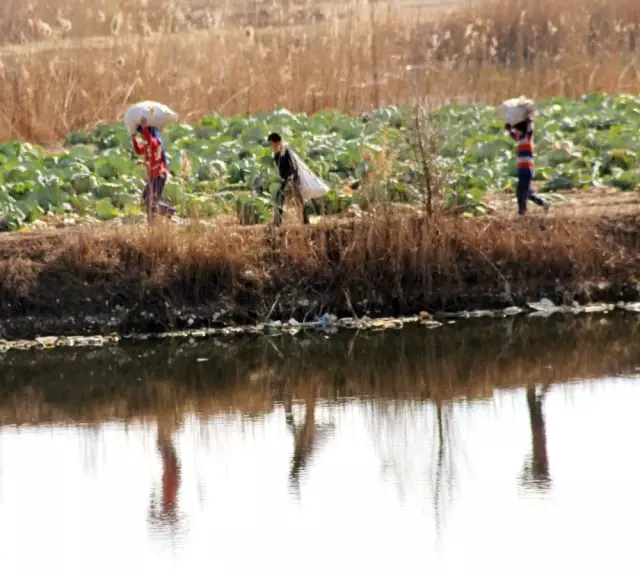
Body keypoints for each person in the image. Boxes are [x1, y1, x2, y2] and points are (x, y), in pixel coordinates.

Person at [132, 121, 175, 224]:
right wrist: (133, 139)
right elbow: (139, 151)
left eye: (142, 134)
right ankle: (168, 211)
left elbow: (150, 140)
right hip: (153, 176)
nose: (141, 136)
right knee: (145, 199)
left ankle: (152, 223)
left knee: (151, 201)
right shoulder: (148, 145)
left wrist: (144, 127)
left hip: (159, 175)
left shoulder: (155, 142)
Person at [505, 117, 549, 216]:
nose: (516, 132)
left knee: (521, 191)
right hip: (522, 169)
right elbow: (513, 135)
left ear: (522, 130)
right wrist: (509, 129)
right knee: (527, 191)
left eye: (518, 130)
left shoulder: (527, 138)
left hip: (527, 169)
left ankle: (522, 212)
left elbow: (530, 129)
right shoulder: (520, 139)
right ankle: (543, 203)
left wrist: (528, 121)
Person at [268, 132, 310, 226]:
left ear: (276, 142)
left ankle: (305, 220)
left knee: (298, 200)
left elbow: (294, 165)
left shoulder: (286, 151)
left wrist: (292, 178)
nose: (271, 146)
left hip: (292, 179)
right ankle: (277, 222)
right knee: (281, 198)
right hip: (285, 180)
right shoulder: (277, 154)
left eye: (271, 143)